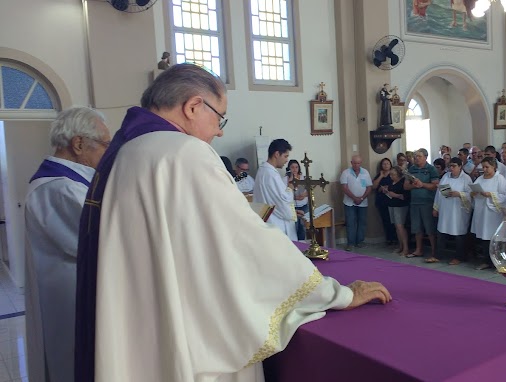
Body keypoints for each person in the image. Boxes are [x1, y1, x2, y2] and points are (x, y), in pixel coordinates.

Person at [74, 64, 391, 382]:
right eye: (220, 117)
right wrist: (337, 294)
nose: (220, 130)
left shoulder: (126, 152)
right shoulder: (184, 153)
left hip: (140, 326)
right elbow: (247, 244)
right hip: (191, 332)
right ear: (193, 106)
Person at [25, 106, 110, 382]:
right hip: (69, 295)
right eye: (105, 144)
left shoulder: (68, 183)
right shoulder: (60, 188)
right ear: (79, 144)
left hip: (72, 288)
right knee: (72, 364)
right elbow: (96, 242)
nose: (108, 152)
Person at [253, 139, 299, 241]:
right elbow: (283, 200)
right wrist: (290, 187)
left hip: (268, 222)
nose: (286, 160)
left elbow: (275, 200)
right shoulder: (271, 174)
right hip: (277, 225)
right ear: (277, 154)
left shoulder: (262, 171)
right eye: (285, 156)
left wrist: (294, 211)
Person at [470, 157, 506, 270]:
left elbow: (504, 196)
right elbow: (473, 191)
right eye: (483, 167)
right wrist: (474, 193)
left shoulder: (500, 179)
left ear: (494, 167)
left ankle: (498, 262)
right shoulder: (480, 179)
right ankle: (486, 261)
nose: (485, 169)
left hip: (493, 213)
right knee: (484, 237)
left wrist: (491, 195)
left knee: (495, 237)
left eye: (487, 167)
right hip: (482, 212)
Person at [433, 158, 473, 265]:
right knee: (441, 231)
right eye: (450, 166)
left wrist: (459, 194)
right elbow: (438, 192)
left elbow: (471, 194)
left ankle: (459, 256)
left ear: (460, 166)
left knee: (458, 233)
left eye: (454, 166)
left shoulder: (466, 179)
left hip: (458, 211)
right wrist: (435, 207)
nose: (451, 168)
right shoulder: (446, 176)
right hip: (446, 209)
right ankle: (438, 255)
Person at [404, 148, 440, 262]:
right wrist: (414, 185)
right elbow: (406, 186)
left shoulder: (431, 169)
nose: (416, 158)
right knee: (416, 228)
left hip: (427, 202)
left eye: (419, 156)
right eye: (415, 156)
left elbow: (435, 186)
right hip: (414, 202)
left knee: (430, 229)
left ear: (425, 157)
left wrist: (422, 184)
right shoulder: (412, 169)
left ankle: (435, 252)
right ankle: (419, 250)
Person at [340, 154, 372, 250]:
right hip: (349, 202)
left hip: (363, 202)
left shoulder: (365, 172)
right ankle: (351, 243)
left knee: (362, 222)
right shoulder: (346, 173)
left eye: (358, 163)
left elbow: (369, 187)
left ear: (361, 163)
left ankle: (360, 241)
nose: (356, 165)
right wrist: (354, 198)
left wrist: (361, 198)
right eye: (354, 163)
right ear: (351, 163)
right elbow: (344, 188)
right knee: (350, 222)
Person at [386, 166, 411, 256]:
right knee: (396, 227)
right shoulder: (391, 181)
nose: (391, 176)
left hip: (400, 206)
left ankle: (406, 248)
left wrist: (396, 195)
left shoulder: (403, 182)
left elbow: (406, 196)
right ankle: (400, 246)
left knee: (400, 226)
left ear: (399, 174)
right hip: (391, 204)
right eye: (391, 174)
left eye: (393, 174)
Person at [372, 157, 397, 246]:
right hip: (381, 201)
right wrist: (381, 176)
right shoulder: (379, 175)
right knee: (385, 220)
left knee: (393, 220)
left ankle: (395, 238)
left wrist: (388, 188)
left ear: (390, 165)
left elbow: (397, 185)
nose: (386, 165)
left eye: (387, 163)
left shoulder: (394, 174)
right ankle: (388, 238)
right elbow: (374, 186)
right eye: (384, 164)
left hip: (392, 200)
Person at [285, 159, 309, 241]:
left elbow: (309, 190)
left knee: (302, 226)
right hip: (293, 207)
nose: (294, 169)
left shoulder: (303, 178)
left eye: (296, 167)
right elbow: (285, 193)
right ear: (288, 168)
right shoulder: (285, 179)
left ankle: (302, 243)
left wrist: (304, 195)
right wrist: (290, 178)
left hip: (303, 205)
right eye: (292, 167)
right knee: (294, 226)